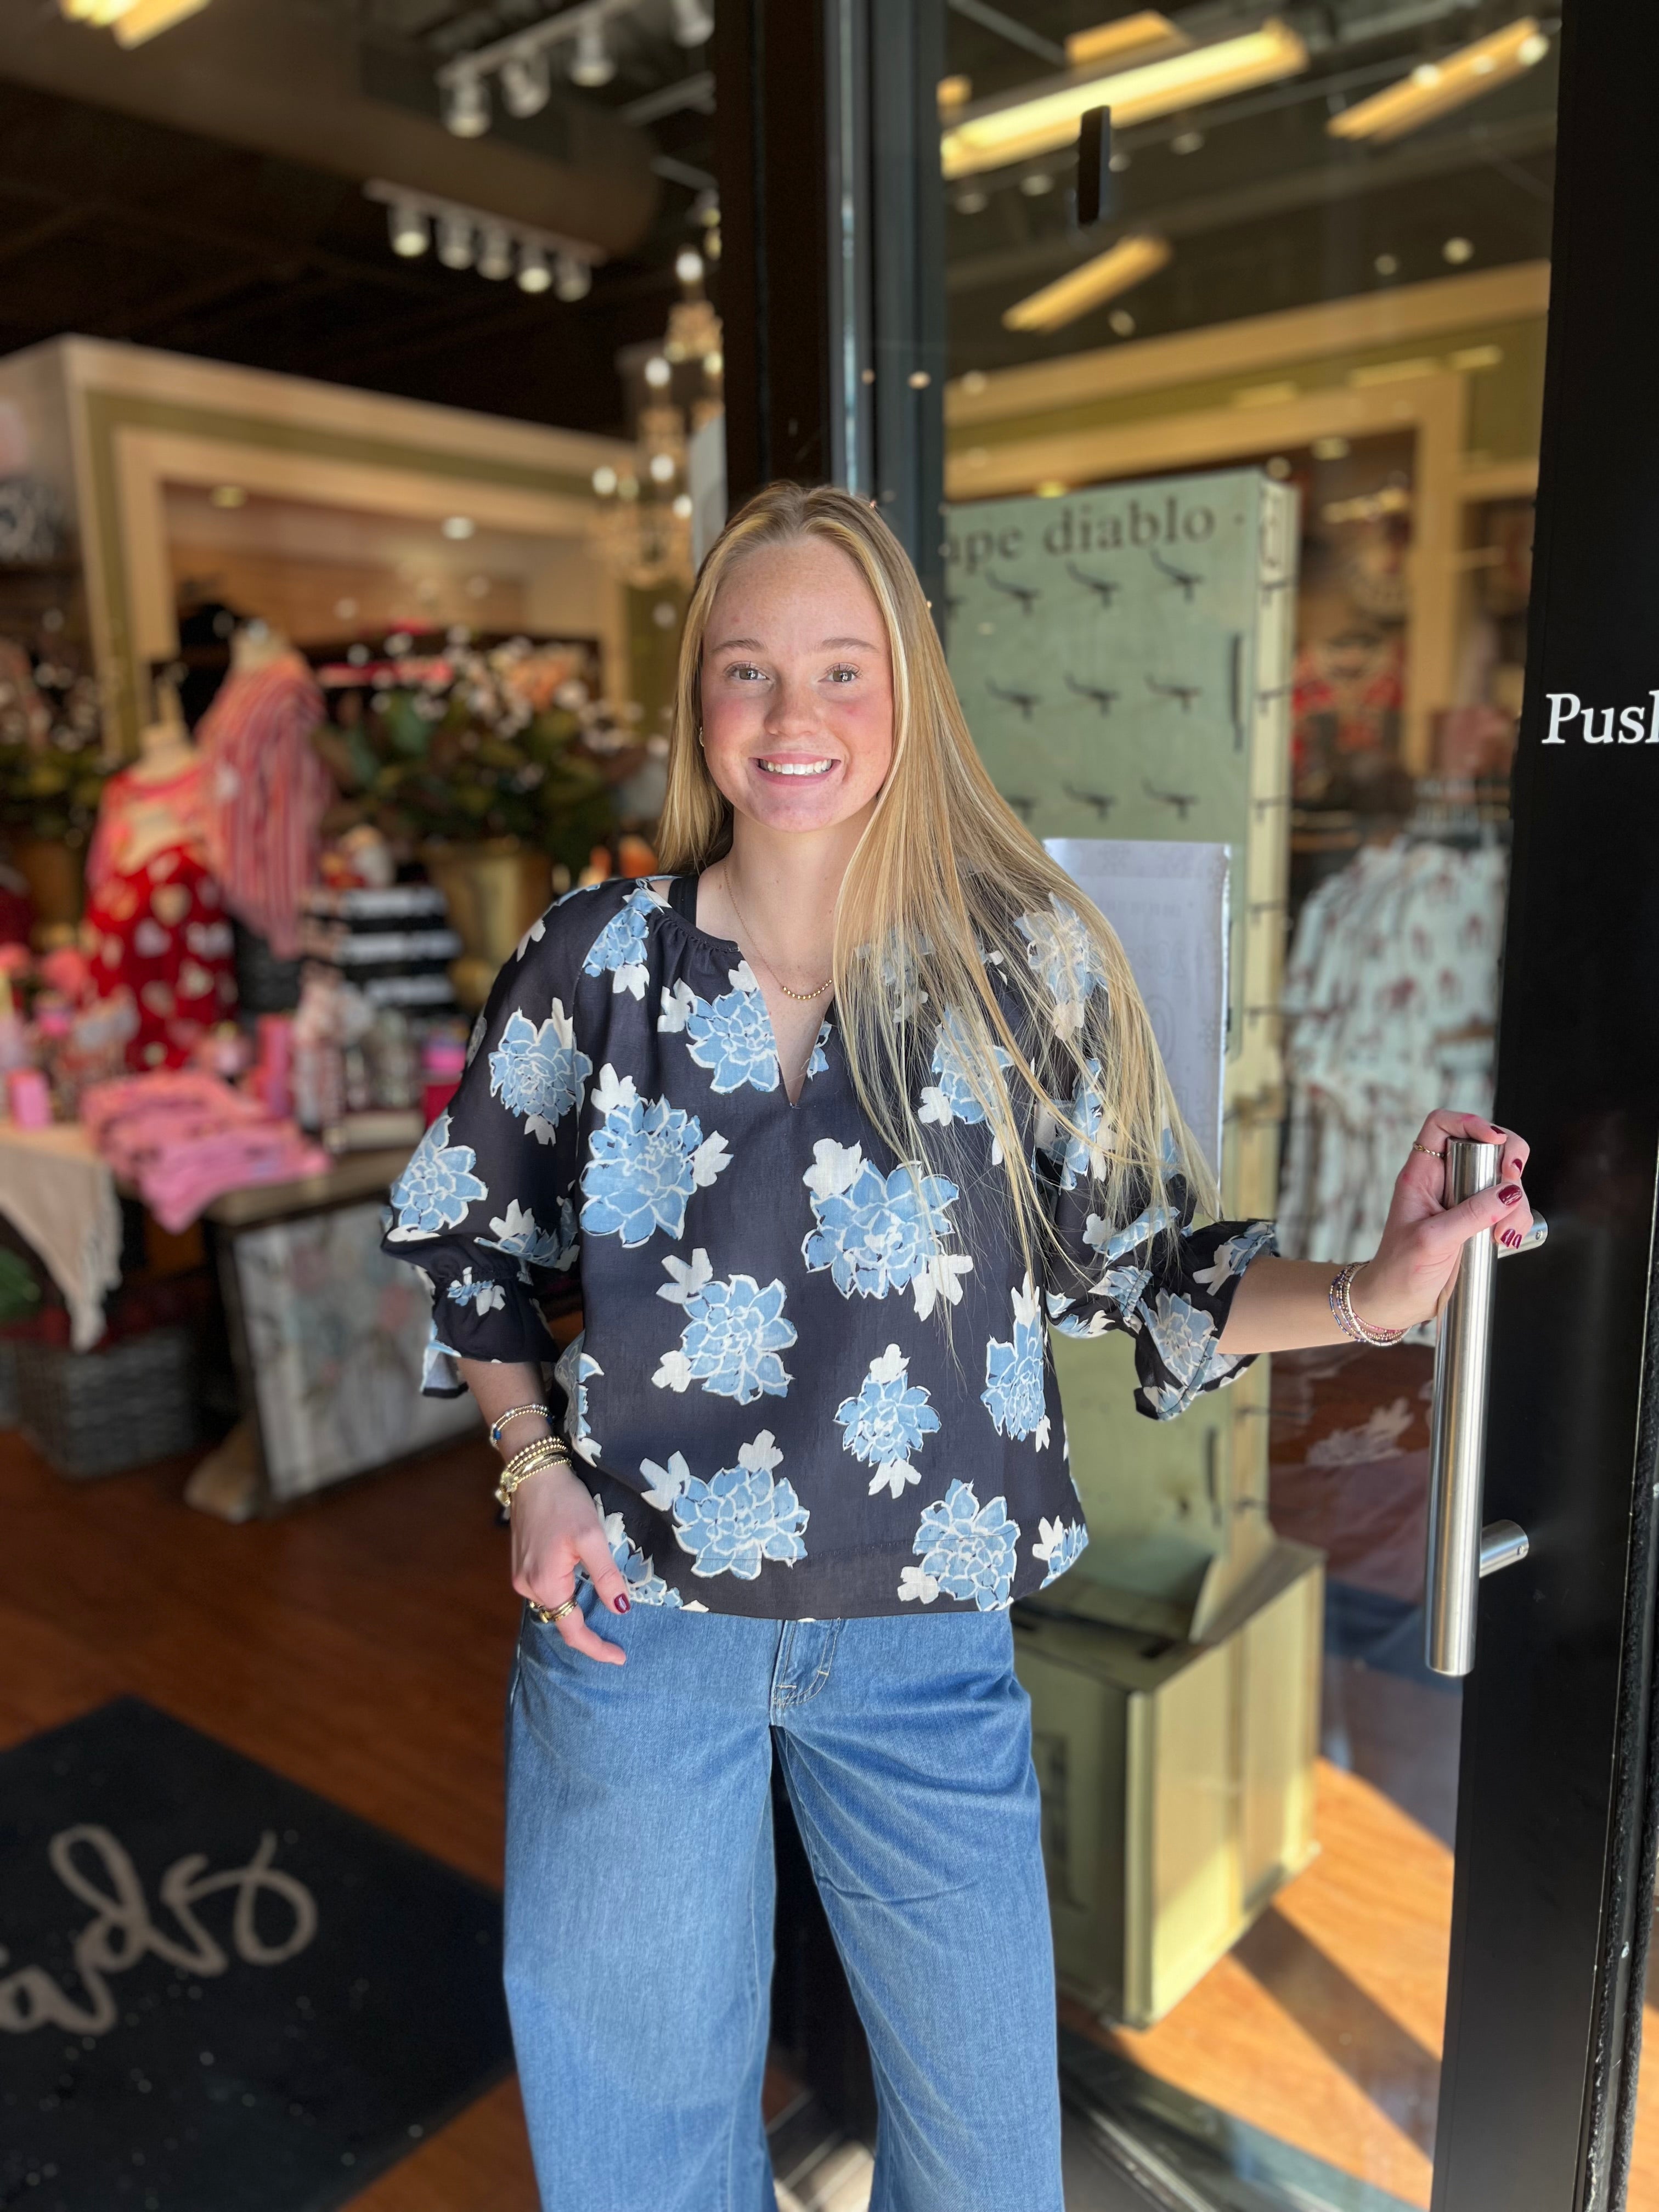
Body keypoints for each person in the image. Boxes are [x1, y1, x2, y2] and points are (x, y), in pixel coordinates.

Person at [384, 483, 1532, 2212]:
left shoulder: (1020, 972)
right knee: (633, 2148)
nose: (795, 720)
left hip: (922, 1653)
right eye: (752, 671)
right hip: (639, 1626)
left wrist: (1380, 1291)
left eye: (844, 673)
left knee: (991, 2163)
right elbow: (468, 1236)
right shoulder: (591, 962)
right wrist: (534, 1469)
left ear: (909, 696)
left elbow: (1150, 1278)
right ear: (701, 698)